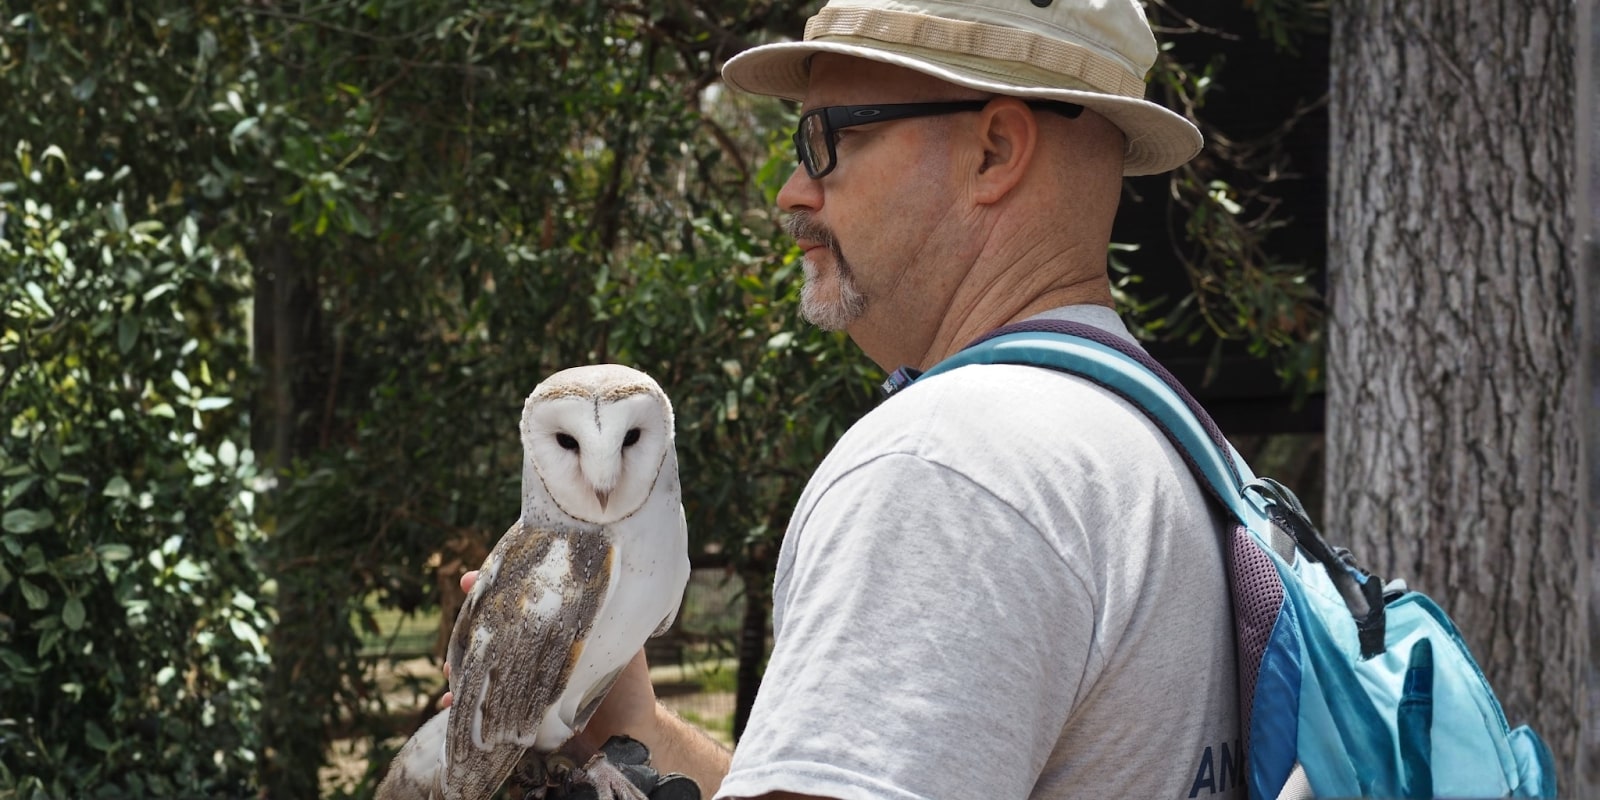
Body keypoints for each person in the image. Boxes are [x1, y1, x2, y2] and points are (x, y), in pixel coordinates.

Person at [452, 0, 1241, 797]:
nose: (792, 193)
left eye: (825, 140)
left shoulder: (951, 464)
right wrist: (639, 739)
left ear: (995, 151)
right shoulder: (1157, 444)